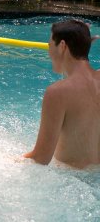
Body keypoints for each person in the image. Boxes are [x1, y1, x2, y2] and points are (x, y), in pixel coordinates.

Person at [24, 19, 100, 169]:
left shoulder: (58, 92)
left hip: (73, 181)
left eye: (49, 45)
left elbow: (40, 158)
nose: (48, 51)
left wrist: (2, 160)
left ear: (62, 46)